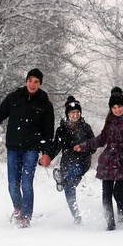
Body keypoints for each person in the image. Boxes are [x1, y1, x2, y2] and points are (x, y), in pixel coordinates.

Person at [0, 68, 54, 228]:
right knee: (13, 184)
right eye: (30, 80)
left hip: (31, 150)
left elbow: (48, 132)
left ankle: (25, 217)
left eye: (36, 81)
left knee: (26, 184)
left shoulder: (45, 105)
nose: (32, 84)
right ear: (26, 81)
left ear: (40, 83)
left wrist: (47, 153)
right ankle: (18, 207)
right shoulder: (14, 98)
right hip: (13, 148)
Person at [73, 87, 123, 231]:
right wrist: (83, 145)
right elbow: (101, 139)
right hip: (108, 161)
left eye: (119, 107)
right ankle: (110, 225)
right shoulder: (109, 121)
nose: (117, 110)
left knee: (118, 193)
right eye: (114, 107)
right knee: (106, 196)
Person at [39, 96, 96, 225]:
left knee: (73, 169)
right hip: (66, 162)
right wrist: (47, 156)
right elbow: (56, 147)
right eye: (72, 112)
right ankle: (76, 215)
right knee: (69, 188)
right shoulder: (61, 130)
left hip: (82, 161)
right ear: (67, 114)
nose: (75, 115)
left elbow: (94, 147)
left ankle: (62, 181)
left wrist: (83, 148)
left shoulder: (86, 128)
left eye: (77, 112)